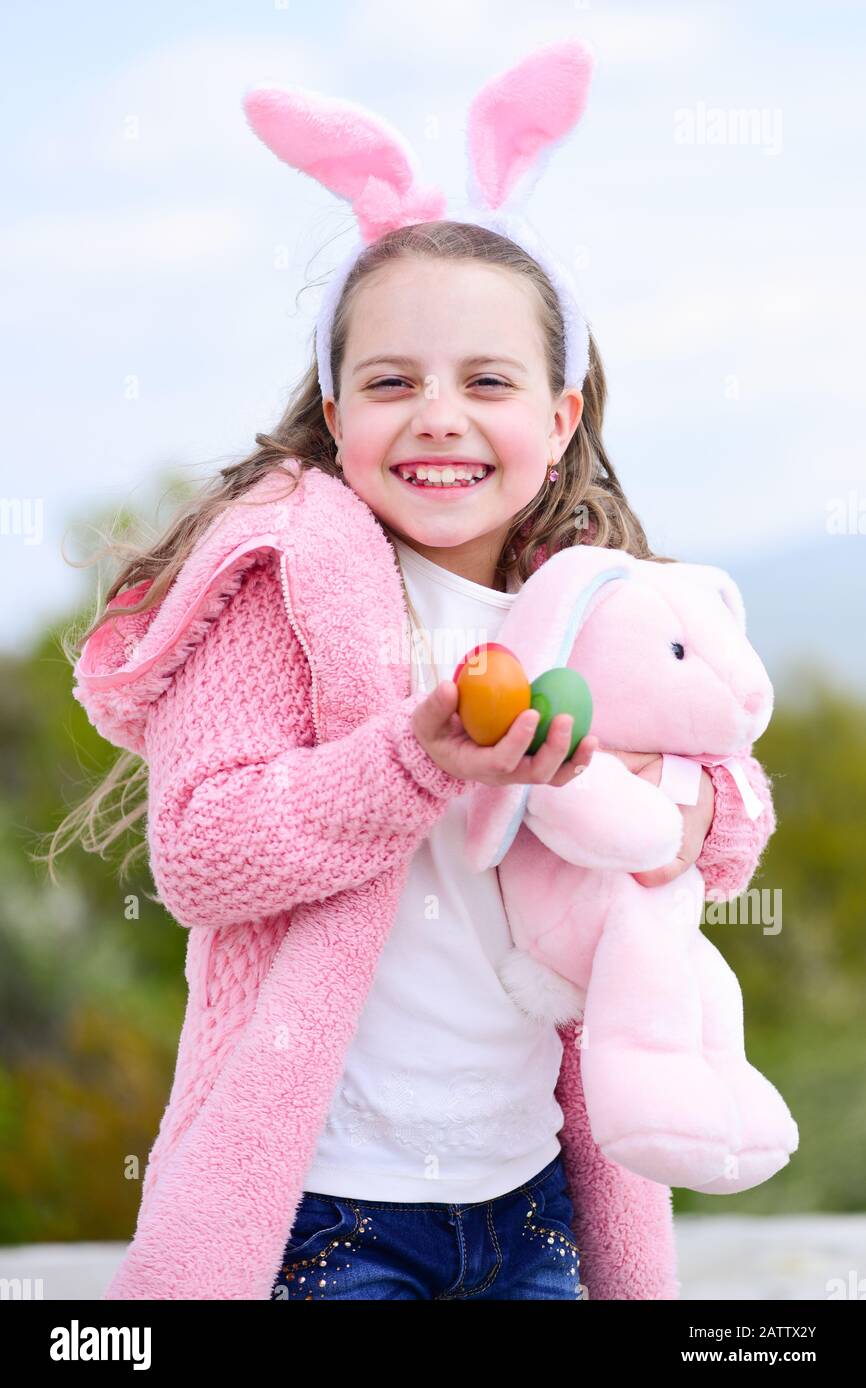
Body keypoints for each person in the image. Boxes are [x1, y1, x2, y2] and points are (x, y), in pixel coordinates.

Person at [48, 44, 777, 1301]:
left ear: (556, 420)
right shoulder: (276, 582)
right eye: (391, 382)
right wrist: (413, 759)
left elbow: (723, 815)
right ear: (337, 413)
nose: (438, 415)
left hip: (532, 1191)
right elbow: (201, 850)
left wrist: (678, 798)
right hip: (327, 1206)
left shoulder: (592, 599)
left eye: (486, 381)